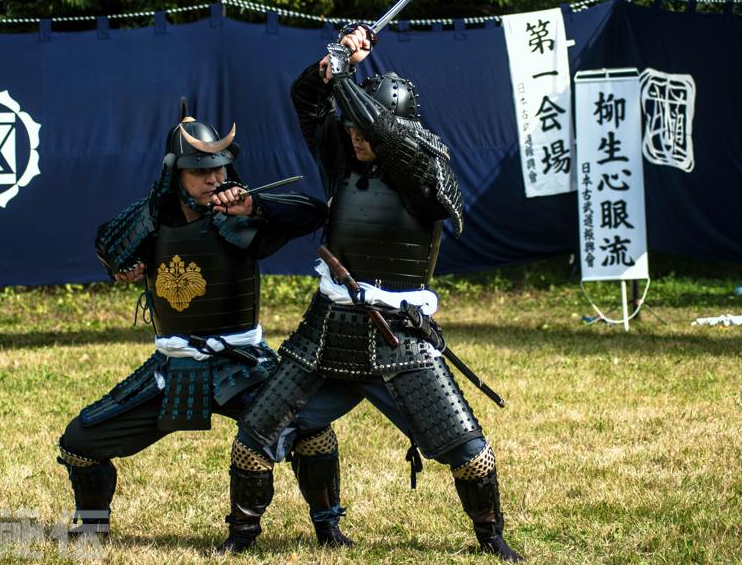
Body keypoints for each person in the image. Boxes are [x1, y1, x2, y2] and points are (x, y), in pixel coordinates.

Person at [219, 27, 523, 561]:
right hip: (326, 327)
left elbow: (390, 135)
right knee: (254, 438)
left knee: (469, 452)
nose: (355, 137)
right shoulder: (345, 158)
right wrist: (334, 62)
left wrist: (346, 79)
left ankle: (491, 537)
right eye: (353, 130)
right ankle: (242, 538)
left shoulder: (430, 167)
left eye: (365, 130)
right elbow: (307, 100)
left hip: (399, 334)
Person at [56, 110, 337, 553]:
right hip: (174, 365)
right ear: (175, 174)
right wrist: (123, 266)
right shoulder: (154, 217)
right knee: (80, 441)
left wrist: (255, 206)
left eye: (219, 169)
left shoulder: (240, 217)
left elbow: (313, 211)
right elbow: (107, 243)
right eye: (200, 171)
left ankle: (327, 530)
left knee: (311, 430)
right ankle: (92, 528)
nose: (212, 179)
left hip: (240, 362)